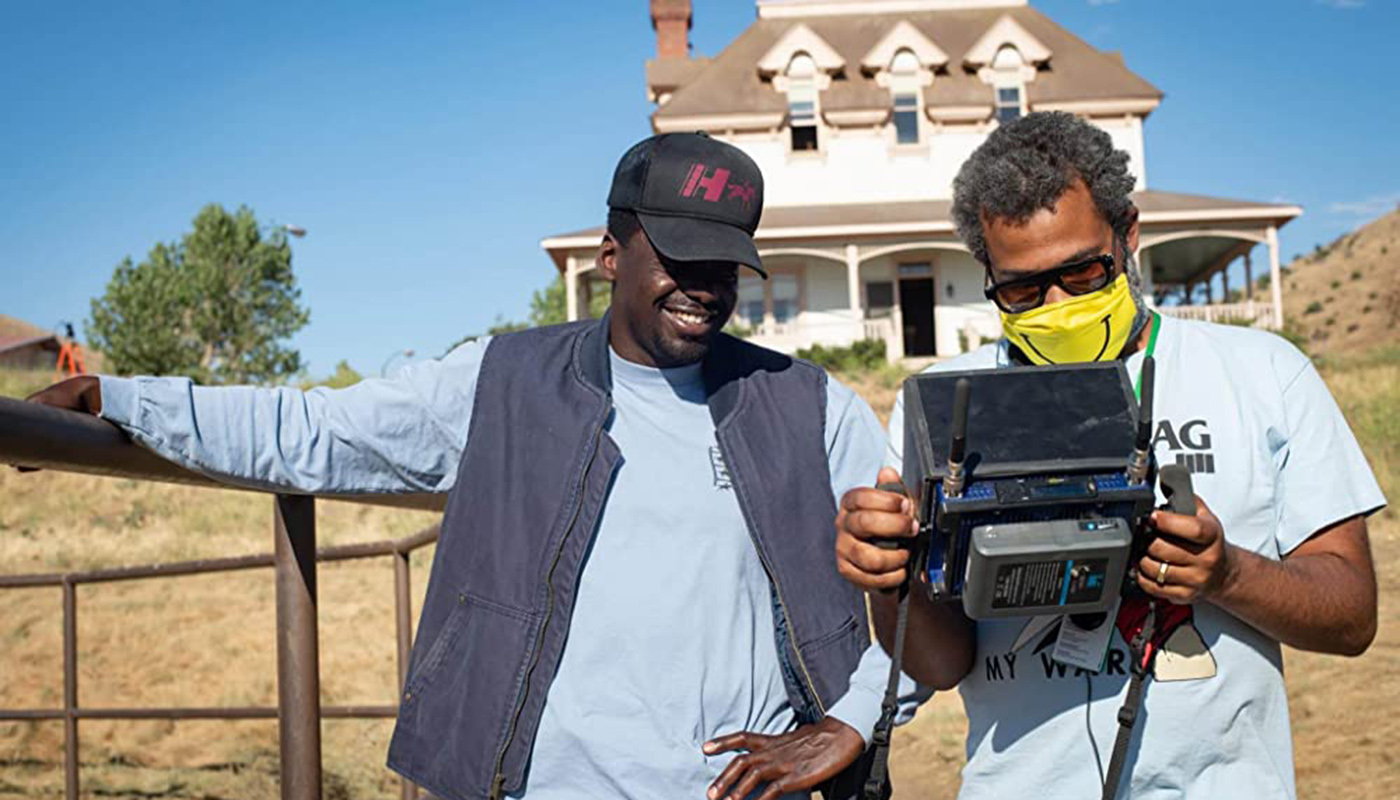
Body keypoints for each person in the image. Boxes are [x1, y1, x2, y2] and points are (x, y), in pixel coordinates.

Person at [29, 132, 924, 800]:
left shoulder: (807, 405)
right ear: (611, 255)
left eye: (726, 265)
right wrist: (125, 400)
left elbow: (927, 583)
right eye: (682, 258)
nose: (706, 288)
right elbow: (315, 431)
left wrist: (851, 722)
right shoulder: (503, 381)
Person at [835, 112, 1383, 798]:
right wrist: (890, 581)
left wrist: (1226, 574)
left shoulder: (1265, 373)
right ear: (987, 272)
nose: (1057, 304)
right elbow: (940, 665)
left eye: (1083, 273)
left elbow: (1351, 618)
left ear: (1128, 234)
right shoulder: (946, 406)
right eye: (1022, 289)